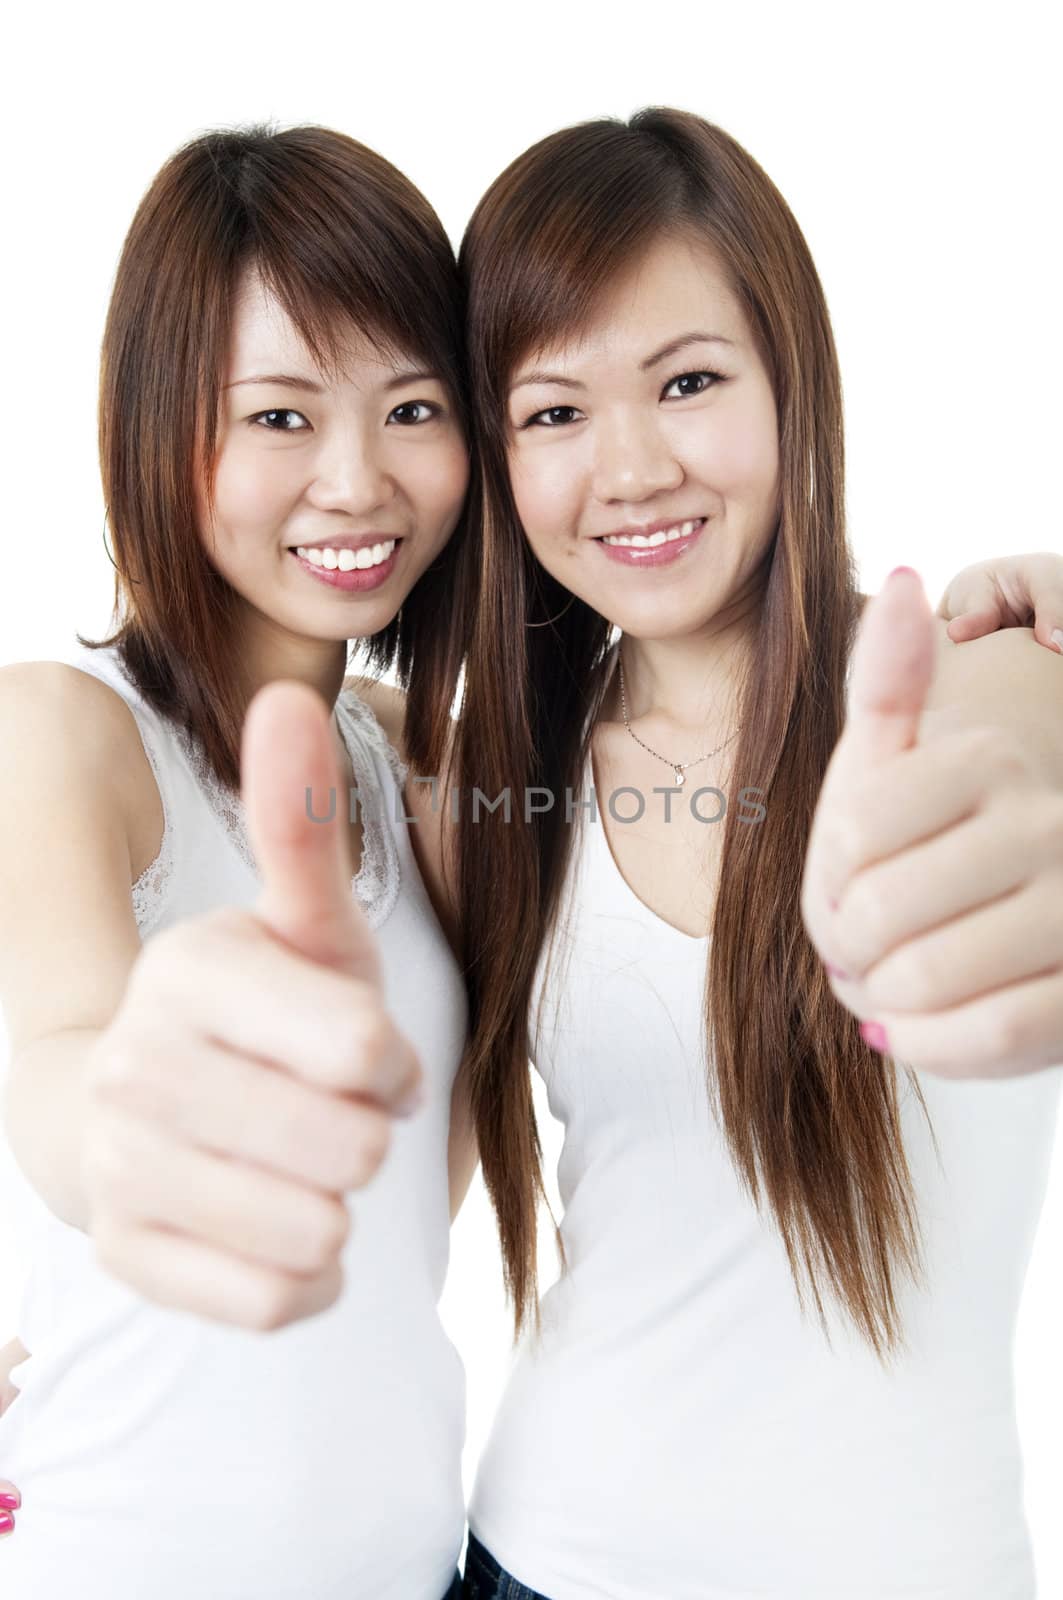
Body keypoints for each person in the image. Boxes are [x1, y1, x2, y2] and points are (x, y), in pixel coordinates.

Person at [444, 109, 1063, 1599]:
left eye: (690, 382)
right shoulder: (488, 788)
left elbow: (1018, 777)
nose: (632, 467)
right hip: (535, 1563)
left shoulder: (973, 679)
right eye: (552, 414)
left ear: (796, 388)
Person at [0, 124, 473, 1599]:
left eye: (411, 407)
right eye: (278, 417)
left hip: (422, 1563)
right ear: (159, 431)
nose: (357, 482)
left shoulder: (418, 765)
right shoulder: (64, 734)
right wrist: (136, 1126)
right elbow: (69, 1078)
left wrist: (1004, 619)